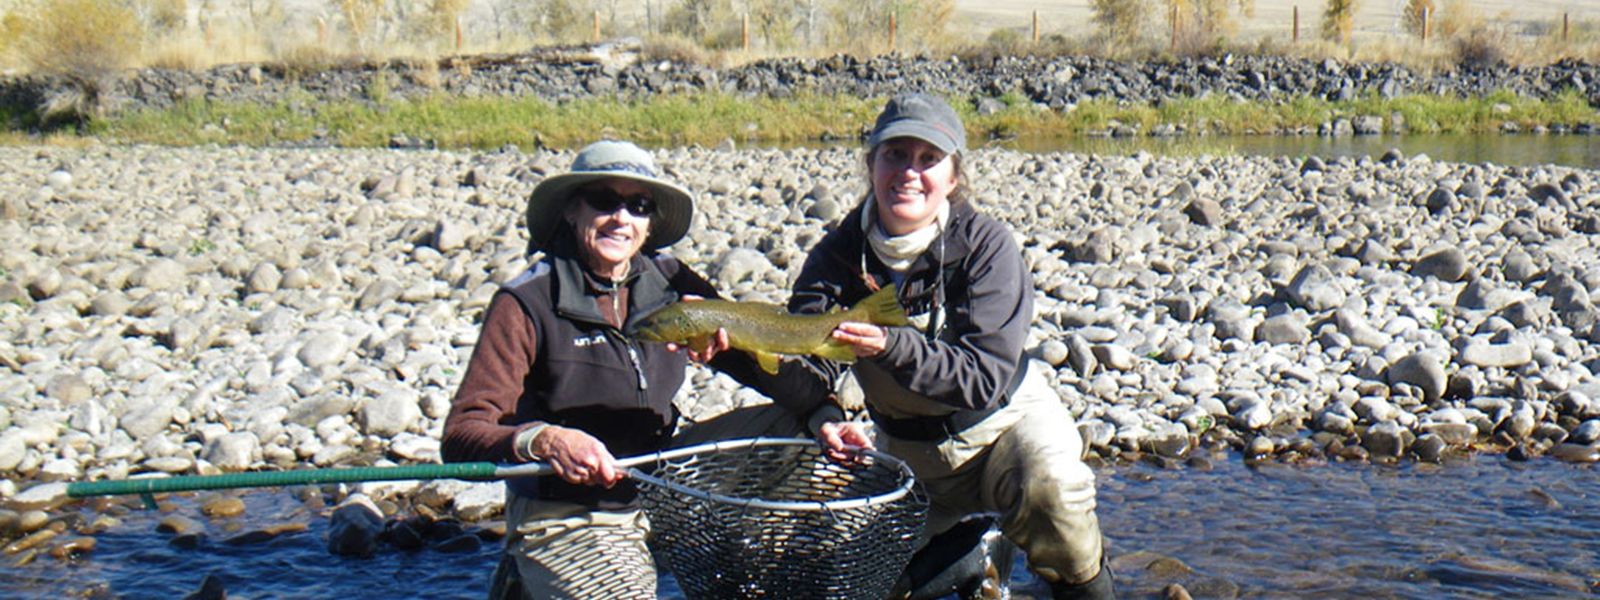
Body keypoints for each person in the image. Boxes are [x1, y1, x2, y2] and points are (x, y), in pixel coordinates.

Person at [441, 140, 840, 600]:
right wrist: (543, 439)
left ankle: (732, 562)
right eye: (604, 201)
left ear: (650, 223)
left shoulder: (673, 283)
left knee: (801, 431)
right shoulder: (526, 302)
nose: (621, 218)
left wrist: (823, 412)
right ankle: (531, 570)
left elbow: (790, 389)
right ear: (572, 210)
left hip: (661, 478)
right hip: (569, 509)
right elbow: (461, 435)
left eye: (639, 206)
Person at [778, 93, 1115, 599]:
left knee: (1053, 494)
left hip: (1007, 429)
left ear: (953, 177)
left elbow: (983, 379)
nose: (909, 173)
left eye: (928, 159)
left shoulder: (985, 246)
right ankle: (974, 553)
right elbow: (808, 362)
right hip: (910, 454)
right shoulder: (837, 256)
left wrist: (890, 346)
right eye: (895, 155)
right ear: (871, 164)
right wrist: (817, 409)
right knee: (854, 582)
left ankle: (1084, 589)